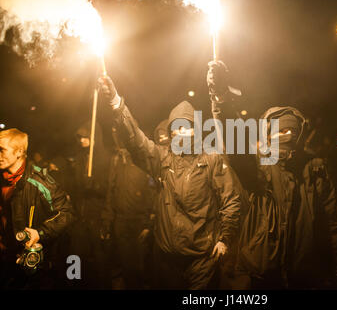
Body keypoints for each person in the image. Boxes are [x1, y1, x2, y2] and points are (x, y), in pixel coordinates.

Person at [206, 60, 337, 289]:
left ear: (300, 136)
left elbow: (330, 223)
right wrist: (221, 98)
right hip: (263, 271)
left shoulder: (314, 168)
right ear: (269, 135)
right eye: (280, 131)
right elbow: (235, 141)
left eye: (291, 131)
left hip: (305, 272)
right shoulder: (260, 165)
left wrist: (336, 265)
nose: (286, 136)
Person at [97, 76, 242, 290]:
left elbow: (231, 200)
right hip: (167, 257)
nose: (180, 133)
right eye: (176, 129)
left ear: (196, 130)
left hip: (202, 258)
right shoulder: (163, 158)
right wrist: (116, 103)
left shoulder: (211, 158)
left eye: (186, 128)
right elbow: (137, 141)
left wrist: (225, 239)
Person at [0, 128, 74, 289]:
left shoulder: (40, 182)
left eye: (2, 150)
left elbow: (66, 214)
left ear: (19, 152)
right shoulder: (3, 179)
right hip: (6, 259)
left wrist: (40, 233)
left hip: (34, 267)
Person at [100, 127, 156, 289]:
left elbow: (153, 191)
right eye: (116, 136)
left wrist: (148, 224)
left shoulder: (144, 158)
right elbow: (111, 190)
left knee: (140, 266)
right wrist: (107, 220)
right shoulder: (117, 160)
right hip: (121, 220)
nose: (119, 140)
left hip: (139, 221)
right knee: (126, 265)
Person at [68, 122, 111, 289]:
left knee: (100, 257)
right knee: (75, 255)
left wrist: (95, 185)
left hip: (97, 216)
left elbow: (109, 189)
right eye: (79, 137)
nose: (82, 140)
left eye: (85, 137)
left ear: (94, 138)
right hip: (80, 215)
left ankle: (103, 285)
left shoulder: (105, 158)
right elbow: (74, 185)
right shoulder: (79, 158)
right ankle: (74, 283)